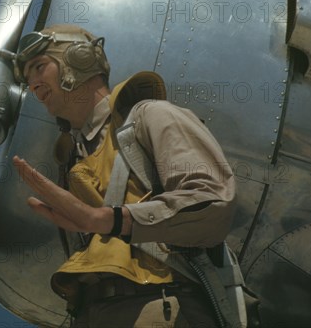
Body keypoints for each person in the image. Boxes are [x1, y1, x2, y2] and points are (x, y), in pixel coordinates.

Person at [12, 24, 237, 327]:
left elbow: (213, 203)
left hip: (159, 306)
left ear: (79, 60)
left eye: (39, 67)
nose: (33, 84)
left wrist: (110, 220)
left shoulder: (152, 115)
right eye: (27, 79)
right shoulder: (72, 161)